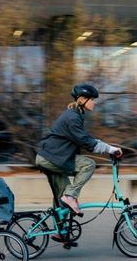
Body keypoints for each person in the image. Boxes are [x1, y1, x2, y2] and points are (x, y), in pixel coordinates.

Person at [35, 84, 121, 233]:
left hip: (52, 158)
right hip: (52, 158)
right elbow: (85, 140)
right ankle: (70, 196)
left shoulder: (74, 115)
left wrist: (104, 146)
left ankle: (60, 232)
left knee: (61, 198)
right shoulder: (72, 118)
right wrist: (109, 149)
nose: (94, 102)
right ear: (82, 100)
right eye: (92, 99)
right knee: (88, 164)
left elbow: (84, 138)